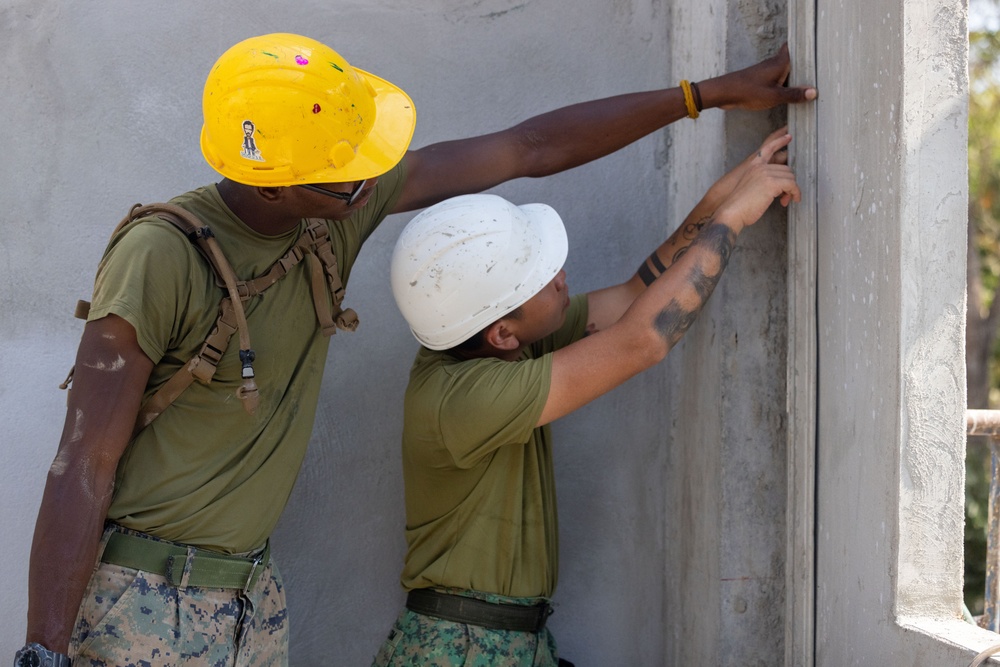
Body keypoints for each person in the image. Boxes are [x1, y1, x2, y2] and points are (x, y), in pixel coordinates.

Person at [16, 28, 814, 667]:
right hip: (142, 598)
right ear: (269, 184)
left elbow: (529, 147)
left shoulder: (330, 209)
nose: (368, 187)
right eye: (343, 179)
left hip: (250, 599)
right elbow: (81, 463)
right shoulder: (162, 256)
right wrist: (46, 651)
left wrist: (701, 97)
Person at [377, 128, 800, 666]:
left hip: (498, 640)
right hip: (461, 649)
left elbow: (633, 296)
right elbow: (642, 340)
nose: (557, 277)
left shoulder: (494, 346)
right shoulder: (462, 399)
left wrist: (732, 188)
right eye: (538, 276)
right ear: (501, 331)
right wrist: (733, 220)